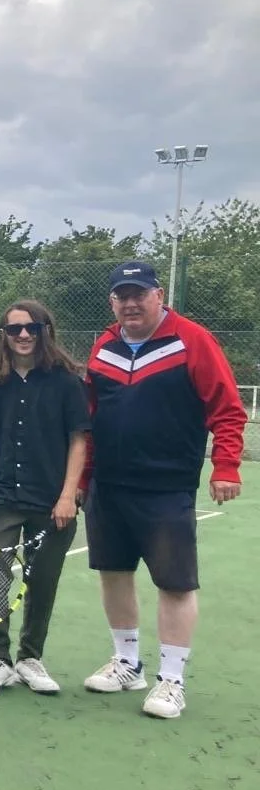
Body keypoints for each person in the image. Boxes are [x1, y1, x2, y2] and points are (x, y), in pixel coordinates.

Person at [79, 261, 245, 719]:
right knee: (113, 572)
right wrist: (82, 478)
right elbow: (91, 419)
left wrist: (225, 466)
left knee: (174, 582)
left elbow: (227, 409)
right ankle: (127, 663)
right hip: (108, 486)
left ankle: (171, 680)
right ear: (112, 301)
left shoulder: (192, 339)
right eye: (121, 296)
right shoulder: (104, 346)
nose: (130, 303)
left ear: (158, 295)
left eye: (139, 294)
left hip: (166, 486)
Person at [0, 301, 89, 697]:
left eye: (30, 328)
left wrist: (68, 495)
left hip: (52, 503)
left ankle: (30, 658)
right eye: (13, 329)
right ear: (4, 335)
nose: (22, 335)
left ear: (44, 331)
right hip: (1, 498)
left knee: (43, 581)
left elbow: (78, 440)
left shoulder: (68, 382)